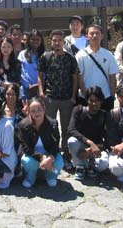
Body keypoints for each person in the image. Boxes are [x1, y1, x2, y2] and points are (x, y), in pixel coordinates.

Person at [37, 29, 79, 169]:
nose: (57, 42)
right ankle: (51, 155)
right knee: (49, 127)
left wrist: (73, 96)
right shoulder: (46, 56)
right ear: (51, 41)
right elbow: (40, 75)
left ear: (63, 41)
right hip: (50, 98)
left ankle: (66, 156)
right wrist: (42, 92)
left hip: (66, 98)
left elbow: (75, 78)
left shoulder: (70, 58)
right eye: (54, 40)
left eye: (59, 40)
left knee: (66, 128)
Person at [18, 96, 63, 188]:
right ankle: (30, 177)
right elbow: (26, 148)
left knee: (59, 161)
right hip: (32, 154)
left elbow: (55, 144)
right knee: (27, 161)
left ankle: (50, 176)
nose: (36, 113)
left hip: (48, 152)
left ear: (44, 108)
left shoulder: (53, 123)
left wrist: (50, 158)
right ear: (29, 112)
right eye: (33, 111)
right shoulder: (23, 125)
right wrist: (42, 158)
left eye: (39, 109)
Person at [67, 86, 110, 180]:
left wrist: (91, 149)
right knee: (71, 141)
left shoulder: (104, 115)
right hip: (81, 144)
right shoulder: (78, 110)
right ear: (87, 100)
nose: (94, 103)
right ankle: (80, 166)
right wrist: (90, 143)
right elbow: (71, 129)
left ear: (101, 101)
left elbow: (108, 139)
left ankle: (89, 165)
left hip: (96, 148)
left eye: (97, 100)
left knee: (103, 165)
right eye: (91, 100)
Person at [76, 24, 118, 110]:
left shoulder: (109, 55)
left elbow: (112, 78)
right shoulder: (80, 55)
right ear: (87, 36)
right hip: (86, 99)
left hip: (105, 98)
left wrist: (112, 96)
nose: (94, 35)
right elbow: (79, 77)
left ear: (102, 36)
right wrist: (86, 96)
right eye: (91, 33)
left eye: (97, 33)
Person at [18, 29, 45, 101]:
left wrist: (38, 85)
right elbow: (20, 72)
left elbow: (47, 73)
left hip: (41, 90)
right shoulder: (22, 54)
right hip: (26, 89)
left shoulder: (45, 55)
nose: (35, 41)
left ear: (41, 41)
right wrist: (28, 85)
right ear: (29, 40)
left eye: (37, 39)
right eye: (33, 39)